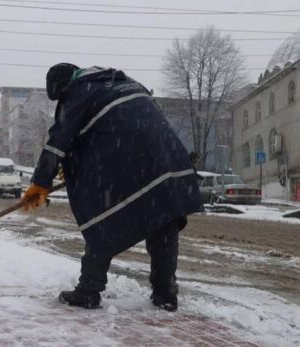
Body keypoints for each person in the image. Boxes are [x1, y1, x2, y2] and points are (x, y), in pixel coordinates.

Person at [22, 64, 202, 312]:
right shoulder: (127, 83)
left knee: (101, 216)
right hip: (167, 157)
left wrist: (40, 184)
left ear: (62, 87)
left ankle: (89, 290)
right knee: (163, 216)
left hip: (129, 160)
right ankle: (165, 291)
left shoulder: (79, 91)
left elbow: (58, 142)